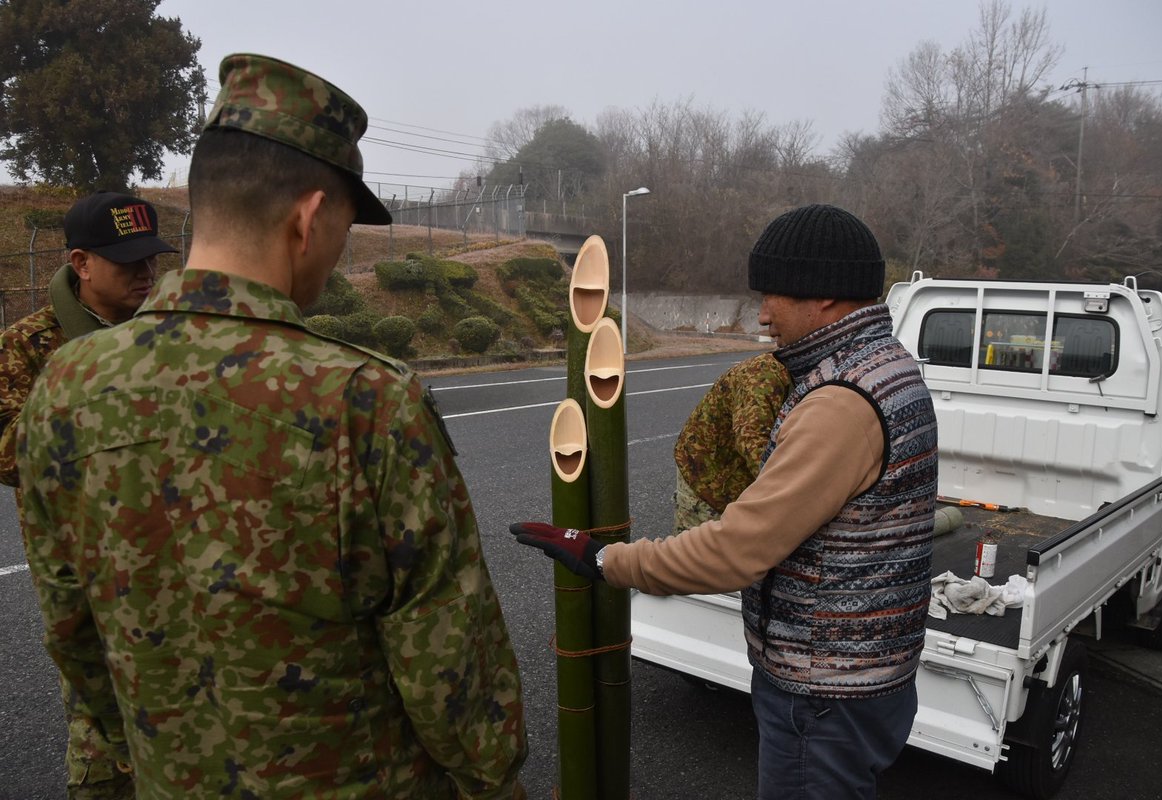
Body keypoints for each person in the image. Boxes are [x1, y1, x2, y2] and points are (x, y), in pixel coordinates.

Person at [16, 53, 527, 799]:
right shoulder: (366, 401)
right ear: (309, 218)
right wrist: (494, 779)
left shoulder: (64, 386)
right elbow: (453, 676)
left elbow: (73, 632)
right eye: (345, 227)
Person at [512, 204, 938, 800]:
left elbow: (739, 548)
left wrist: (608, 560)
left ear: (825, 296)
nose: (762, 316)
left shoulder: (841, 401)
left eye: (773, 295)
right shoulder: (890, 368)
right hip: (865, 676)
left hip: (823, 692)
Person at [0, 190, 177, 799]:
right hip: (86, 570)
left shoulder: (169, 334)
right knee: (104, 730)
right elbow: (7, 454)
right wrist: (95, 407)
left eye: (151, 258)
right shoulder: (28, 345)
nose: (145, 272)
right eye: (127, 260)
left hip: (180, 555)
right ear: (81, 263)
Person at [672, 351, 791, 533]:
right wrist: (790, 492)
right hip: (706, 473)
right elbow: (752, 440)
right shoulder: (763, 374)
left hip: (735, 472)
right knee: (700, 550)